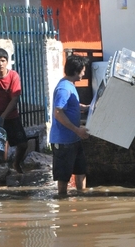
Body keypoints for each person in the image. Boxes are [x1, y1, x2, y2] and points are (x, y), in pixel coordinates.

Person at [50, 55, 90, 196]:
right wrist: (77, 130)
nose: (84, 73)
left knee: (81, 170)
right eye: (83, 70)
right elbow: (58, 113)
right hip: (64, 140)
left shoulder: (69, 86)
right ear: (76, 71)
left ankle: (82, 197)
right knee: (63, 176)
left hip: (74, 139)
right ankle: (62, 202)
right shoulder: (64, 89)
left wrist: (84, 107)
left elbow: (68, 106)